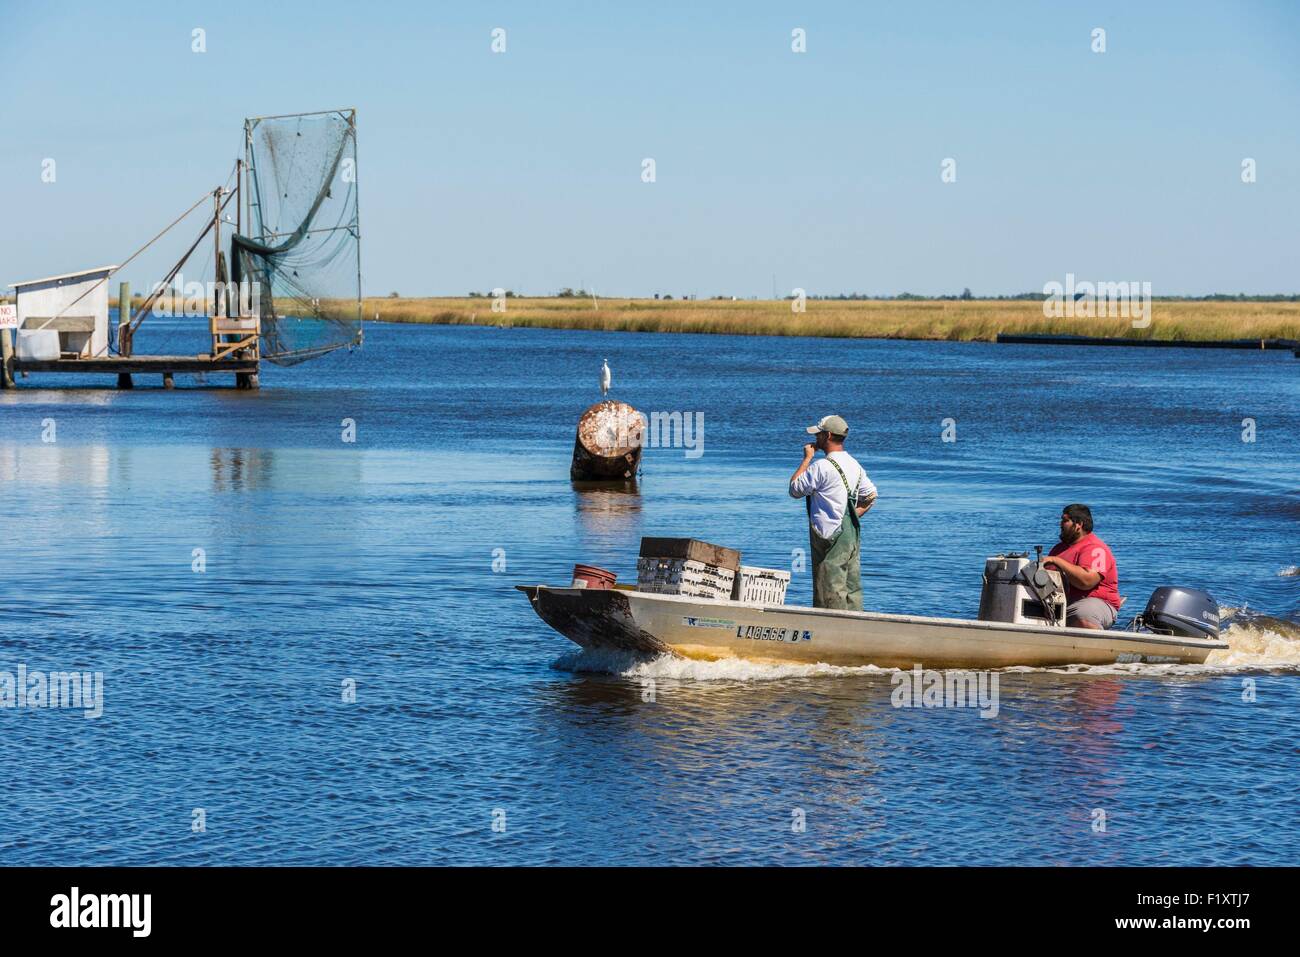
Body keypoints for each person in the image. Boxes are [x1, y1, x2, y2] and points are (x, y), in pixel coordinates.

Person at [788, 415, 877, 610]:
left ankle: (830, 633)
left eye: (818, 434)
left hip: (828, 536)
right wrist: (853, 515)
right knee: (851, 588)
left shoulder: (821, 466)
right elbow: (871, 495)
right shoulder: (855, 465)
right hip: (850, 534)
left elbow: (794, 489)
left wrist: (807, 458)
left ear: (827, 435)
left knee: (829, 589)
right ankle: (856, 630)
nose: (816, 438)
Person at [1041, 503, 1121, 629]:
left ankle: (1097, 647)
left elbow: (1087, 581)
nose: (1060, 524)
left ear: (1079, 524)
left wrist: (1056, 560)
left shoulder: (1095, 548)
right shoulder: (1059, 549)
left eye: (1065, 520)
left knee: (1083, 615)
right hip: (1059, 603)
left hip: (1095, 602)